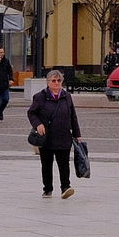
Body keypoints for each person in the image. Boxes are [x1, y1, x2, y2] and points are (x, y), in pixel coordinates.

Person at [25, 67, 81, 198]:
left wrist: (77, 134)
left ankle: (65, 187)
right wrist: (37, 124)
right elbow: (31, 112)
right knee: (46, 164)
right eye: (54, 81)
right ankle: (48, 188)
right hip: (47, 137)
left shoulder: (66, 96)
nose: (57, 83)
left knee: (64, 164)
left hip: (63, 136)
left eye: (59, 80)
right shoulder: (40, 97)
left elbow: (73, 116)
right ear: (48, 82)